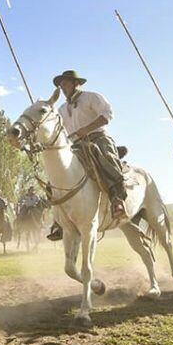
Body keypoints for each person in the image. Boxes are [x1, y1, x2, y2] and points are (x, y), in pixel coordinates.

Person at [46, 70, 127, 241]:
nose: (62, 87)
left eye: (65, 84)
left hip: (98, 138)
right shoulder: (60, 108)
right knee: (54, 178)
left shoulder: (91, 97)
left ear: (76, 83)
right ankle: (59, 220)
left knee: (107, 161)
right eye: (61, 85)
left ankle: (118, 200)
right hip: (75, 146)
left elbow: (107, 115)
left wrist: (86, 130)